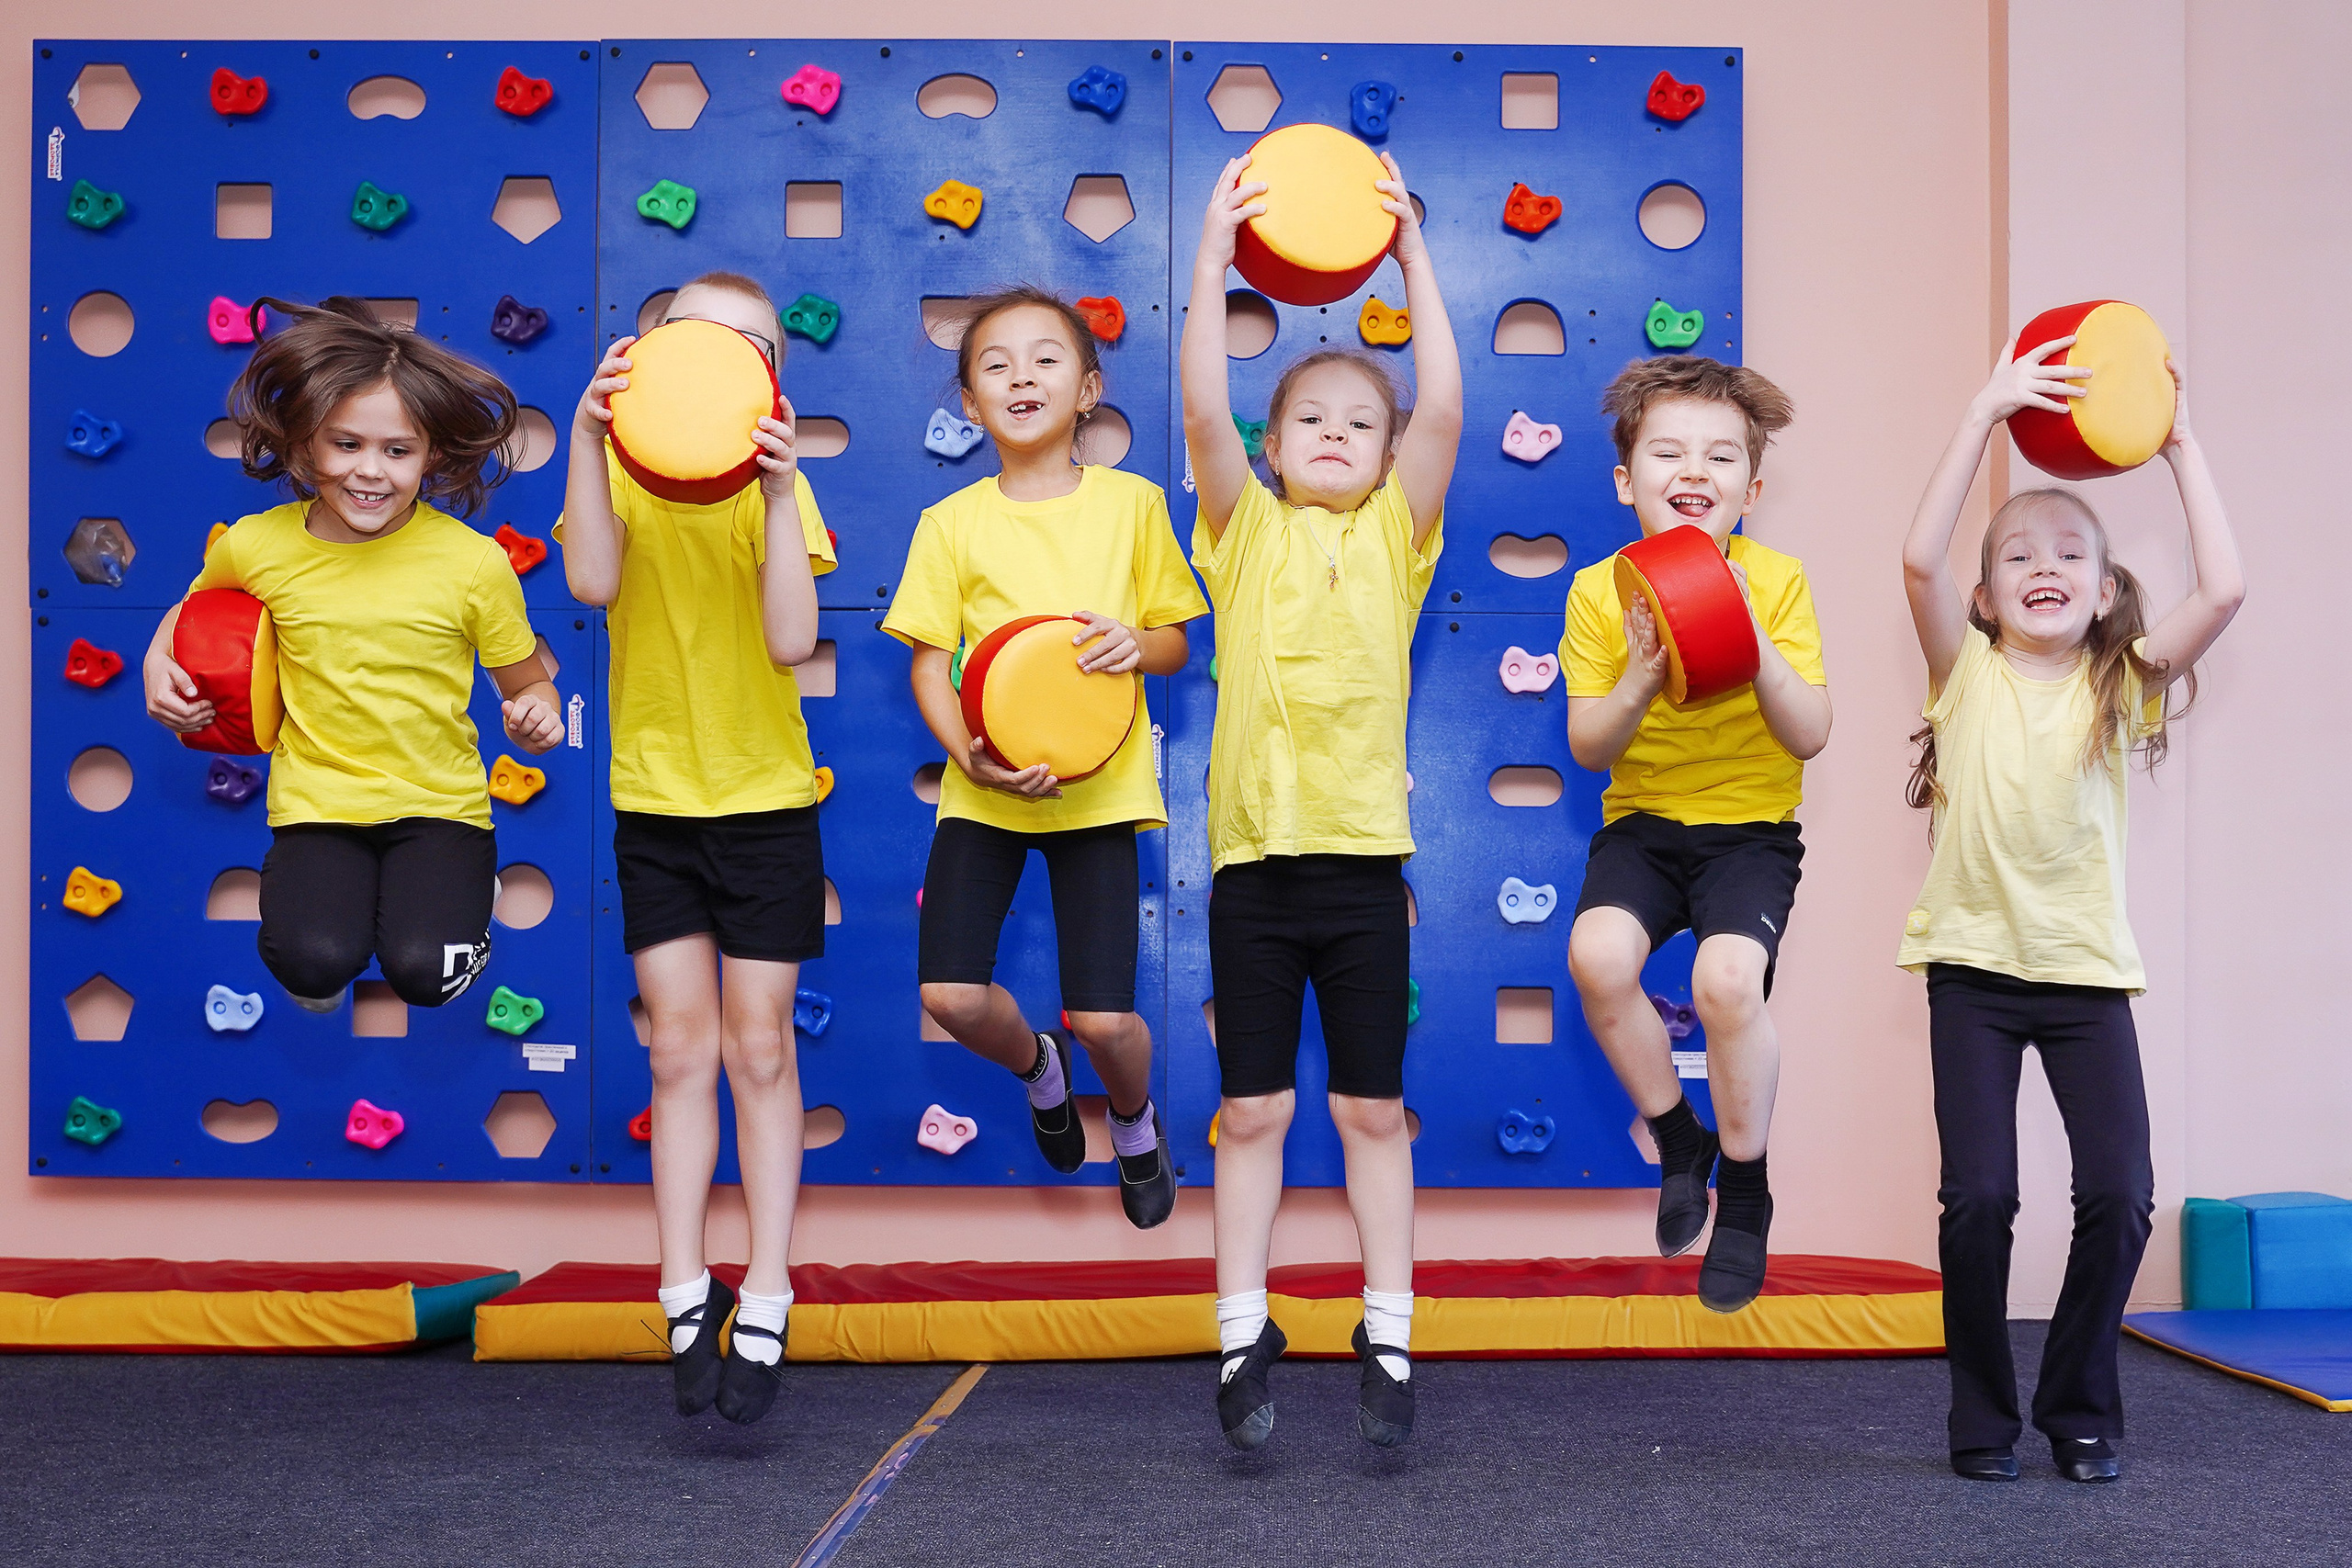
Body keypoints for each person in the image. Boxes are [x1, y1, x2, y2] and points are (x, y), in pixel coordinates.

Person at [1899, 339, 2241, 1483]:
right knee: (1978, 1200)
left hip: (2086, 978)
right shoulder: (1965, 675)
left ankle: (2080, 1406)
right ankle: (1981, 1420)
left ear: (2103, 591)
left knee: (2120, 1198)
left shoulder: (2118, 685)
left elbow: (2225, 589)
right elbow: (1913, 557)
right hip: (1973, 976)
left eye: (2069, 552)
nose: (2041, 565)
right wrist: (1984, 411)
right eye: (2014, 555)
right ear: (1987, 596)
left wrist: (2180, 447)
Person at [1182, 150, 1463, 1450]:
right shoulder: (1243, 532)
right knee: (1253, 1109)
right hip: (1252, 873)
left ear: (1388, 452)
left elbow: (1447, 412)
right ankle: (1242, 1320)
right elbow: (1199, 409)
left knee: (1364, 1106)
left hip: (1360, 872)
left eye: (1362, 416)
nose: (1339, 431)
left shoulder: (1397, 537)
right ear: (1271, 448)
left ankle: (1391, 1325)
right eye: (1311, 418)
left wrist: (1409, 256)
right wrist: (1213, 263)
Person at [561, 271, 834, 1425]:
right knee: (679, 1049)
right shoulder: (610, 471)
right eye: (702, 339)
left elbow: (789, 639)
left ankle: (765, 1286)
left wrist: (776, 497)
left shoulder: (784, 490)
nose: (730, 357)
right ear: (645, 350)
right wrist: (584, 430)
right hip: (656, 806)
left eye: (756, 346)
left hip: (767, 804)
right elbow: (588, 579)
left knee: (758, 1047)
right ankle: (683, 1284)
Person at [882, 285, 1205, 1231]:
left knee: (1106, 1018)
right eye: (994, 364)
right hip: (986, 796)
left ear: (1090, 388)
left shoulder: (1134, 505)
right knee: (949, 992)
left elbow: (1176, 641)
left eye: (1045, 357)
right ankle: (1038, 1068)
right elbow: (930, 664)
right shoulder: (950, 524)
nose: (1021, 374)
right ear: (971, 406)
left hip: (1096, 796)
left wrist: (1133, 645)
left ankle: (1136, 1119)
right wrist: (964, 759)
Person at [142, 296, 561, 1015]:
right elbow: (188, 611)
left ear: (431, 456)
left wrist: (537, 716)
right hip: (318, 802)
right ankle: (325, 953)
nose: (372, 472)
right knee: (312, 965)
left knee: (424, 976)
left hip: (440, 806)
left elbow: (529, 683)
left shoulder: (473, 564)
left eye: (398, 451)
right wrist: (158, 666)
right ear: (305, 446)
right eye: (347, 445)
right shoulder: (256, 544)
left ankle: (466, 903)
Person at [1559, 355, 1832, 1314]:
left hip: (1749, 833)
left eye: (1721, 457)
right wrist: (1639, 669)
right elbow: (1590, 745)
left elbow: (1810, 732)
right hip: (1643, 825)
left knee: (1725, 983)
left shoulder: (1777, 580)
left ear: (1750, 491)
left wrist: (1753, 645)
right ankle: (1681, 1139)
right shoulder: (1600, 591)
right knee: (1595, 957)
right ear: (1627, 481)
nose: (1694, 469)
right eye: (1668, 451)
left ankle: (1747, 1186)